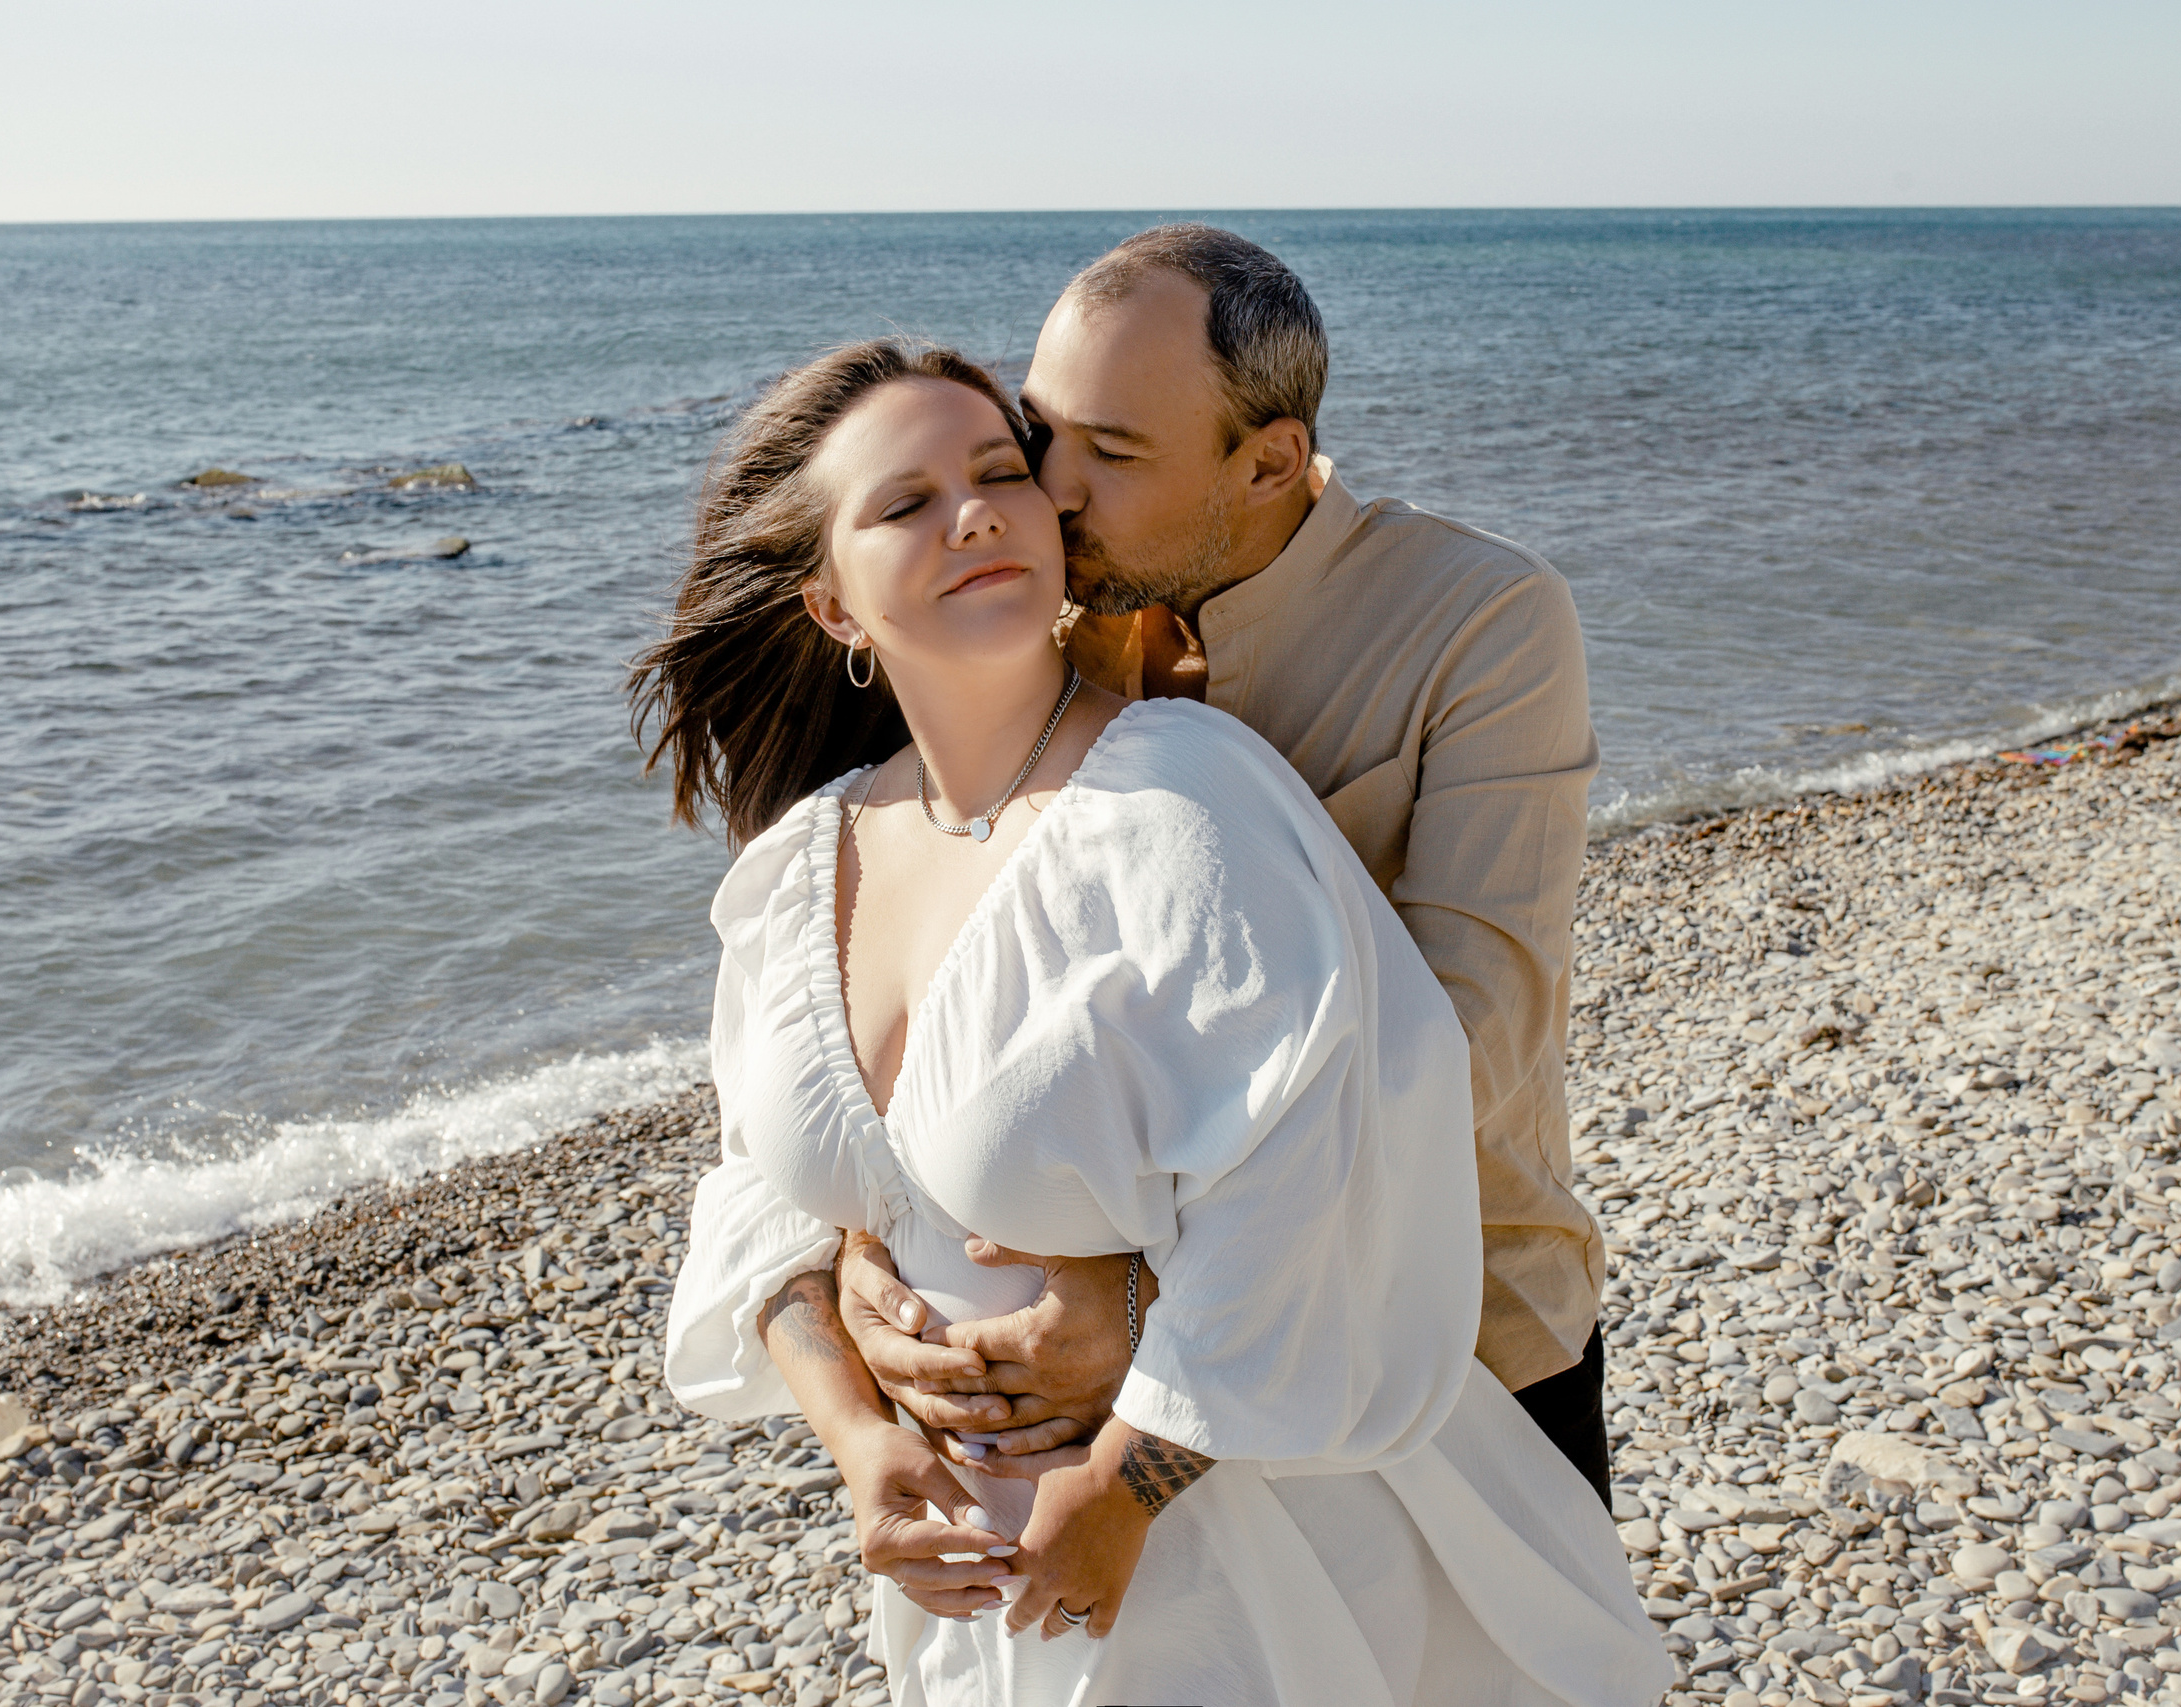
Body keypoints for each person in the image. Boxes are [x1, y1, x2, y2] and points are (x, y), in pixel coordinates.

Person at [641, 341, 1663, 1705]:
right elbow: (756, 1184)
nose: (980, 510)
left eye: (1003, 472)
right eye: (907, 503)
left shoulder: (1180, 798)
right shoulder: (802, 864)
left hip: (1244, 1562)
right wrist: (857, 1435)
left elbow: (1329, 1134)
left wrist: (1131, 1479)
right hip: (971, 1585)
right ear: (830, 605)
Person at [834, 225, 1616, 1527]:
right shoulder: (1036, 617)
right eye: (1042, 436)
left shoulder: (1487, 622)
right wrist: (866, 1236)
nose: (1055, 492)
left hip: (1467, 1336)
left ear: (1270, 462)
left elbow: (1471, 1040)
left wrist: (1142, 1288)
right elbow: (914, 955)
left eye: (1116, 453)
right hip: (1096, 1378)